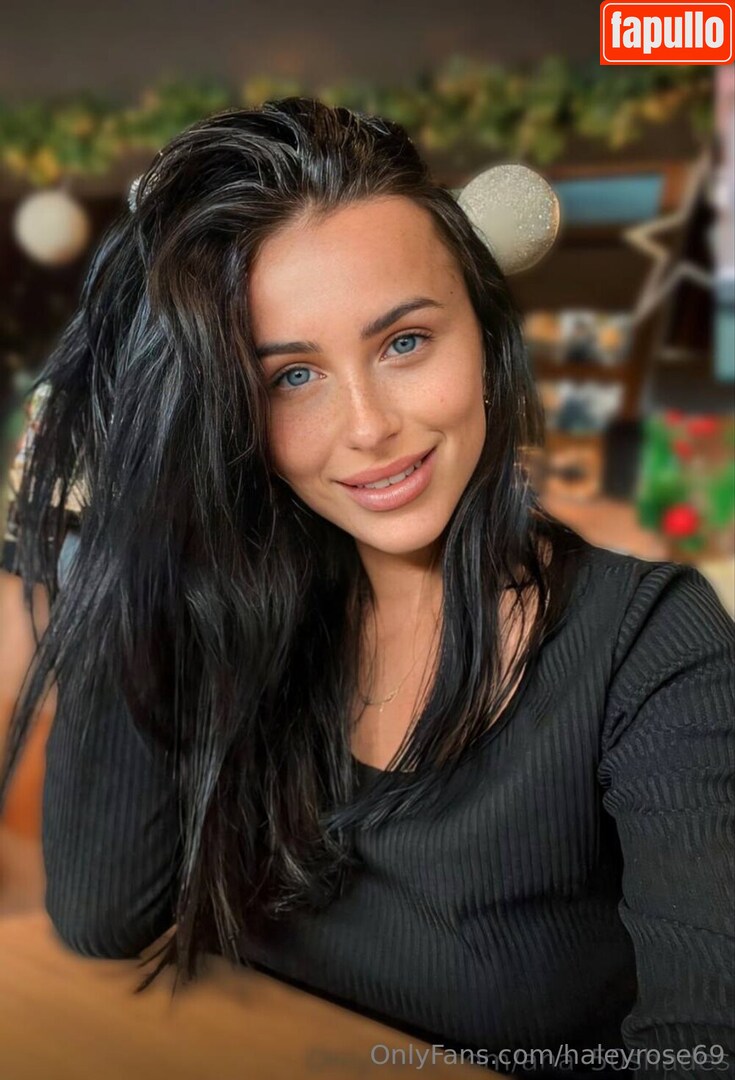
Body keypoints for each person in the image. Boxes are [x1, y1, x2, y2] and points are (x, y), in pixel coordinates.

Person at [1, 98, 733, 1080]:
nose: (368, 427)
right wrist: (142, 527)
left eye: (404, 342)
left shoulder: (652, 646)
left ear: (484, 337)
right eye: (291, 377)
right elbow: (102, 916)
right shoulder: (243, 614)